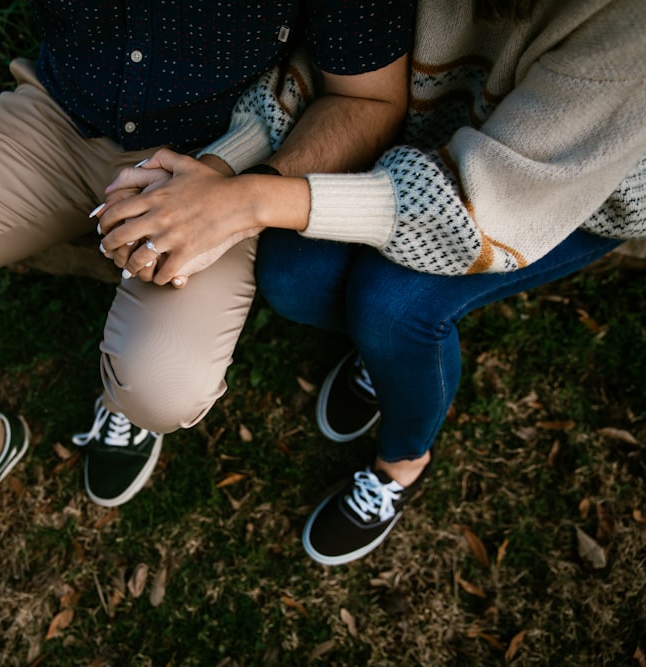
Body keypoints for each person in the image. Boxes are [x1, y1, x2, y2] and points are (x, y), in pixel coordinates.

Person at [0, 1, 416, 584]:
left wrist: (241, 200)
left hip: (217, 160)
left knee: (161, 384)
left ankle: (126, 408)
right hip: (54, 121)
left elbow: (369, 99)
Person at [97, 0, 645, 566]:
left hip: (558, 190)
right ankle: (381, 356)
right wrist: (221, 170)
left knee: (393, 306)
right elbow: (340, 57)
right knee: (291, 273)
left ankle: (403, 462)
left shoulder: (626, 24)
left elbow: (488, 208)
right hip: (428, 126)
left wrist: (246, 200)